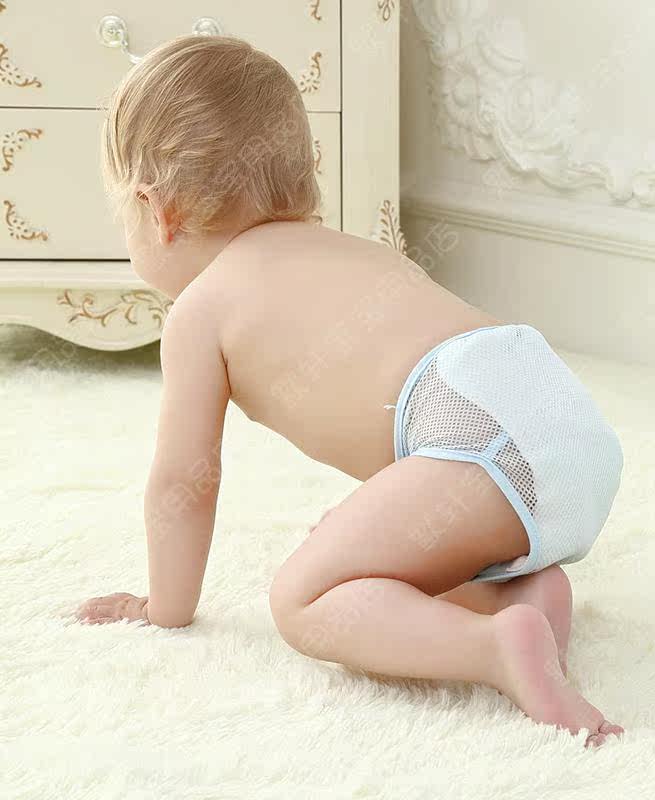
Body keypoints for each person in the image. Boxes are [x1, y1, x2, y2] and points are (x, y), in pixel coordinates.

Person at [77, 35, 625, 748]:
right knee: (386, 552)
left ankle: (493, 648)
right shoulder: (354, 250)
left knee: (305, 596)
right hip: (555, 418)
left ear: (157, 210)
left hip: (471, 432)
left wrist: (165, 608)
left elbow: (185, 479)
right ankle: (520, 593)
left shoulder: (200, 312)